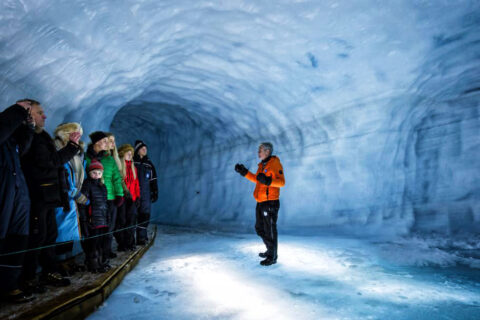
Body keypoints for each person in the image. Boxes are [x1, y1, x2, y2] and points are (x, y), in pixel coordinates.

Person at [21, 101, 81, 292]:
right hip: (38, 195)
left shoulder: (41, 136)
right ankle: (28, 278)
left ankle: (49, 270)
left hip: (47, 195)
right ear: (29, 115)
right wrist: (72, 147)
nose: (45, 116)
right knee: (37, 237)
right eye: (40, 113)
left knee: (49, 235)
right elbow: (50, 162)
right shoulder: (31, 137)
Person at [0, 100, 35, 303]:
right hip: (5, 191)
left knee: (17, 238)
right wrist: (18, 110)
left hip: (17, 191)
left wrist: (28, 127)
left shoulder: (11, 140)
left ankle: (9, 285)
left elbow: (22, 148)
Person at [235, 142, 285, 266]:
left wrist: (268, 180)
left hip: (270, 202)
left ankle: (272, 256)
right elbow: (257, 179)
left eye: (260, 150)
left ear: (267, 152)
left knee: (270, 230)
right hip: (261, 201)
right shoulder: (262, 165)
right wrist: (244, 172)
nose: (258, 153)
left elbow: (282, 182)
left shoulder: (274, 163)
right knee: (259, 228)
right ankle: (270, 250)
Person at [53, 123, 87, 275]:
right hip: (62, 200)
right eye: (75, 134)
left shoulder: (74, 154)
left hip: (70, 201)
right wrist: (76, 194)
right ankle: (61, 263)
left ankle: (68, 261)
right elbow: (64, 177)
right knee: (62, 234)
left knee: (68, 234)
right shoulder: (59, 152)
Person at [85, 132, 124, 262]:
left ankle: (104, 258)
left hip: (110, 199)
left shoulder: (109, 159)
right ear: (97, 142)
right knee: (94, 232)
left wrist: (119, 194)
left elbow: (116, 178)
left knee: (108, 229)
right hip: (93, 200)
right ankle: (92, 258)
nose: (108, 144)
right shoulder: (86, 158)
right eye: (105, 141)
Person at [78, 159, 110, 273]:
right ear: (90, 173)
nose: (96, 175)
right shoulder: (87, 185)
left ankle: (100, 262)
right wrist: (85, 220)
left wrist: (107, 218)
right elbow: (82, 204)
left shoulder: (103, 186)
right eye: (94, 173)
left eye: (99, 173)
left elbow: (105, 204)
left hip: (102, 220)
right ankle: (93, 264)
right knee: (93, 243)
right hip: (93, 221)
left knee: (100, 242)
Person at [133, 140, 158, 245]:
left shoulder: (149, 164)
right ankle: (129, 239)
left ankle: (141, 237)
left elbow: (153, 180)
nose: (145, 150)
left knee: (144, 215)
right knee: (133, 215)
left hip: (146, 194)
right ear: (138, 150)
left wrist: (154, 191)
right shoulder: (133, 162)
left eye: (145, 148)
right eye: (142, 148)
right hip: (134, 193)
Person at [116, 144, 140, 251]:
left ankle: (130, 243)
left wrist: (138, 196)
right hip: (123, 198)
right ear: (122, 154)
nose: (130, 156)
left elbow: (136, 183)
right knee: (122, 221)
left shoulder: (133, 167)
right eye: (128, 153)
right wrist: (125, 192)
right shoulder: (120, 166)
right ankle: (122, 244)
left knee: (131, 221)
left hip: (132, 199)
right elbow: (119, 181)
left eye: (131, 154)